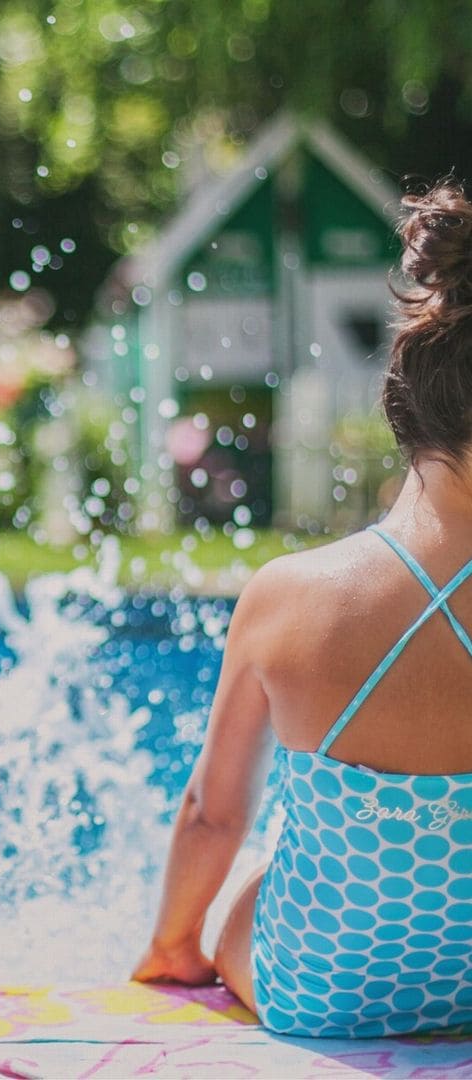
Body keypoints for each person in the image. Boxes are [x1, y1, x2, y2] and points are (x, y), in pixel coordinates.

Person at [133, 180, 472, 1038]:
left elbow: (213, 813)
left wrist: (174, 949)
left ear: (401, 403)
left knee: (258, 879)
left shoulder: (291, 595)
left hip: (322, 997)